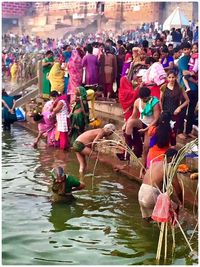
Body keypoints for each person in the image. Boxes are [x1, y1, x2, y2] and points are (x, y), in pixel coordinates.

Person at [138, 149, 183, 221]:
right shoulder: (169, 168)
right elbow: (178, 191)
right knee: (175, 207)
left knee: (148, 219)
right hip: (150, 196)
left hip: (141, 194)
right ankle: (172, 226)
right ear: (172, 158)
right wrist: (181, 203)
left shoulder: (154, 163)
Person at [125, 86, 160, 167]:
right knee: (130, 123)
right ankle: (129, 147)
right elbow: (133, 116)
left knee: (146, 148)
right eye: (143, 99)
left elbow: (156, 119)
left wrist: (146, 129)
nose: (144, 100)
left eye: (146, 98)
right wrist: (126, 124)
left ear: (149, 96)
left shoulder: (155, 102)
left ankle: (143, 168)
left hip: (151, 125)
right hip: (142, 122)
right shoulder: (137, 102)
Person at [160, 70, 190, 144]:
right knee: (164, 130)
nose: (171, 79)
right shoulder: (163, 87)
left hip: (175, 113)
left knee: (173, 131)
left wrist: (179, 108)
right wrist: (161, 110)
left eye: (173, 77)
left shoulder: (179, 87)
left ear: (176, 77)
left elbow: (187, 100)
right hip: (165, 113)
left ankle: (173, 147)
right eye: (169, 77)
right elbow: (160, 100)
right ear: (167, 78)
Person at [177, 42, 198, 139]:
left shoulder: (194, 58)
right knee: (183, 109)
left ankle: (188, 131)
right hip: (185, 88)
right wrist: (196, 81)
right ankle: (180, 131)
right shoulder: (182, 60)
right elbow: (185, 74)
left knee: (192, 111)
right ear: (181, 50)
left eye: (188, 49)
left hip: (195, 89)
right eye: (184, 49)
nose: (187, 51)